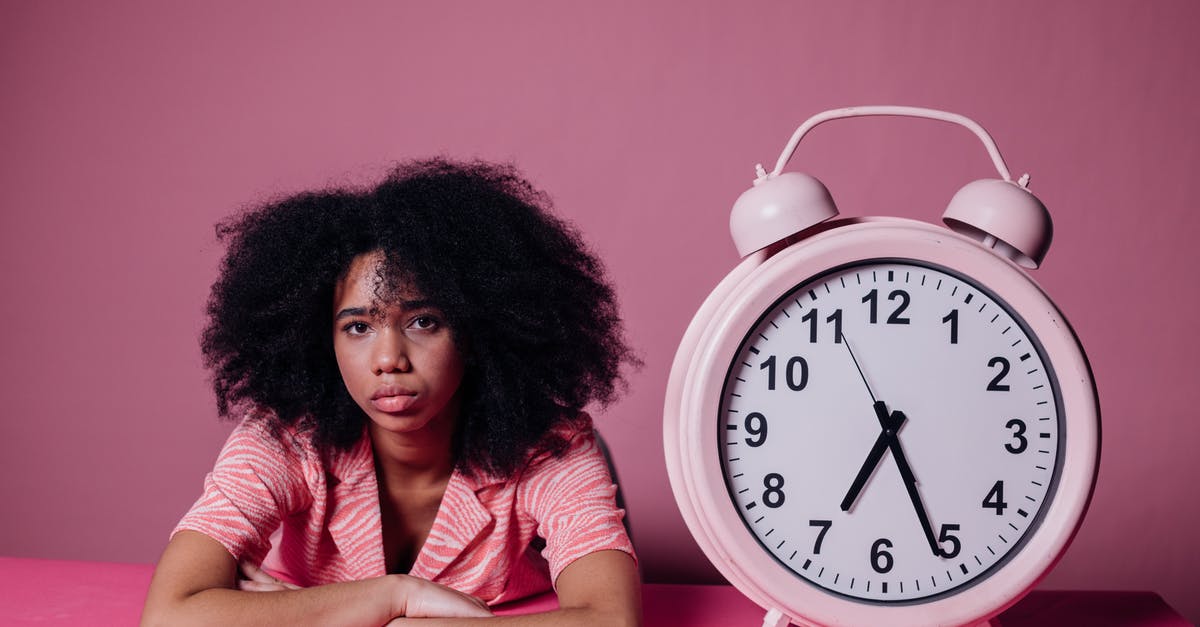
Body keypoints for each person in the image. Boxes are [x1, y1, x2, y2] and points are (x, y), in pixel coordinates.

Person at [141, 159, 642, 626]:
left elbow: (610, 620)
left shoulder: (549, 446)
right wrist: (397, 595)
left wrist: (366, 620)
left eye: (423, 322)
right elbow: (169, 614)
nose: (388, 360)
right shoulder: (285, 440)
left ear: (474, 328)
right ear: (323, 340)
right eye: (358, 327)